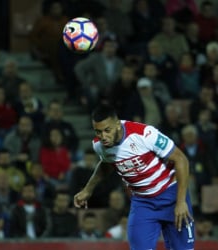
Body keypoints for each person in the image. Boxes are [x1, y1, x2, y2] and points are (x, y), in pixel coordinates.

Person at [73, 104, 195, 250]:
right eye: (98, 132)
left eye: (107, 130)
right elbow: (106, 164)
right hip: (143, 203)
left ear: (117, 125)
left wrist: (181, 202)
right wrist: (88, 190)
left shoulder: (145, 134)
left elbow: (181, 160)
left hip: (171, 196)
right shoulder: (99, 145)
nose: (103, 137)